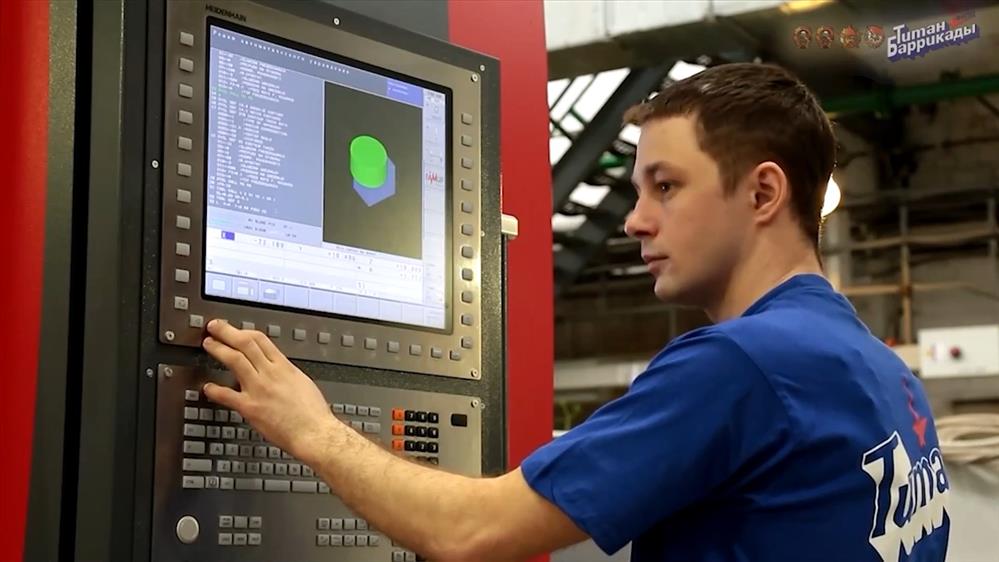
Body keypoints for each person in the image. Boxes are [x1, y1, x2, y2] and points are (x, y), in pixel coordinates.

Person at [200, 63, 950, 562]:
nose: (635, 220)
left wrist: (312, 430)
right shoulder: (884, 374)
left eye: (665, 187)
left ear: (761, 193)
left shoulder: (739, 366)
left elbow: (467, 530)